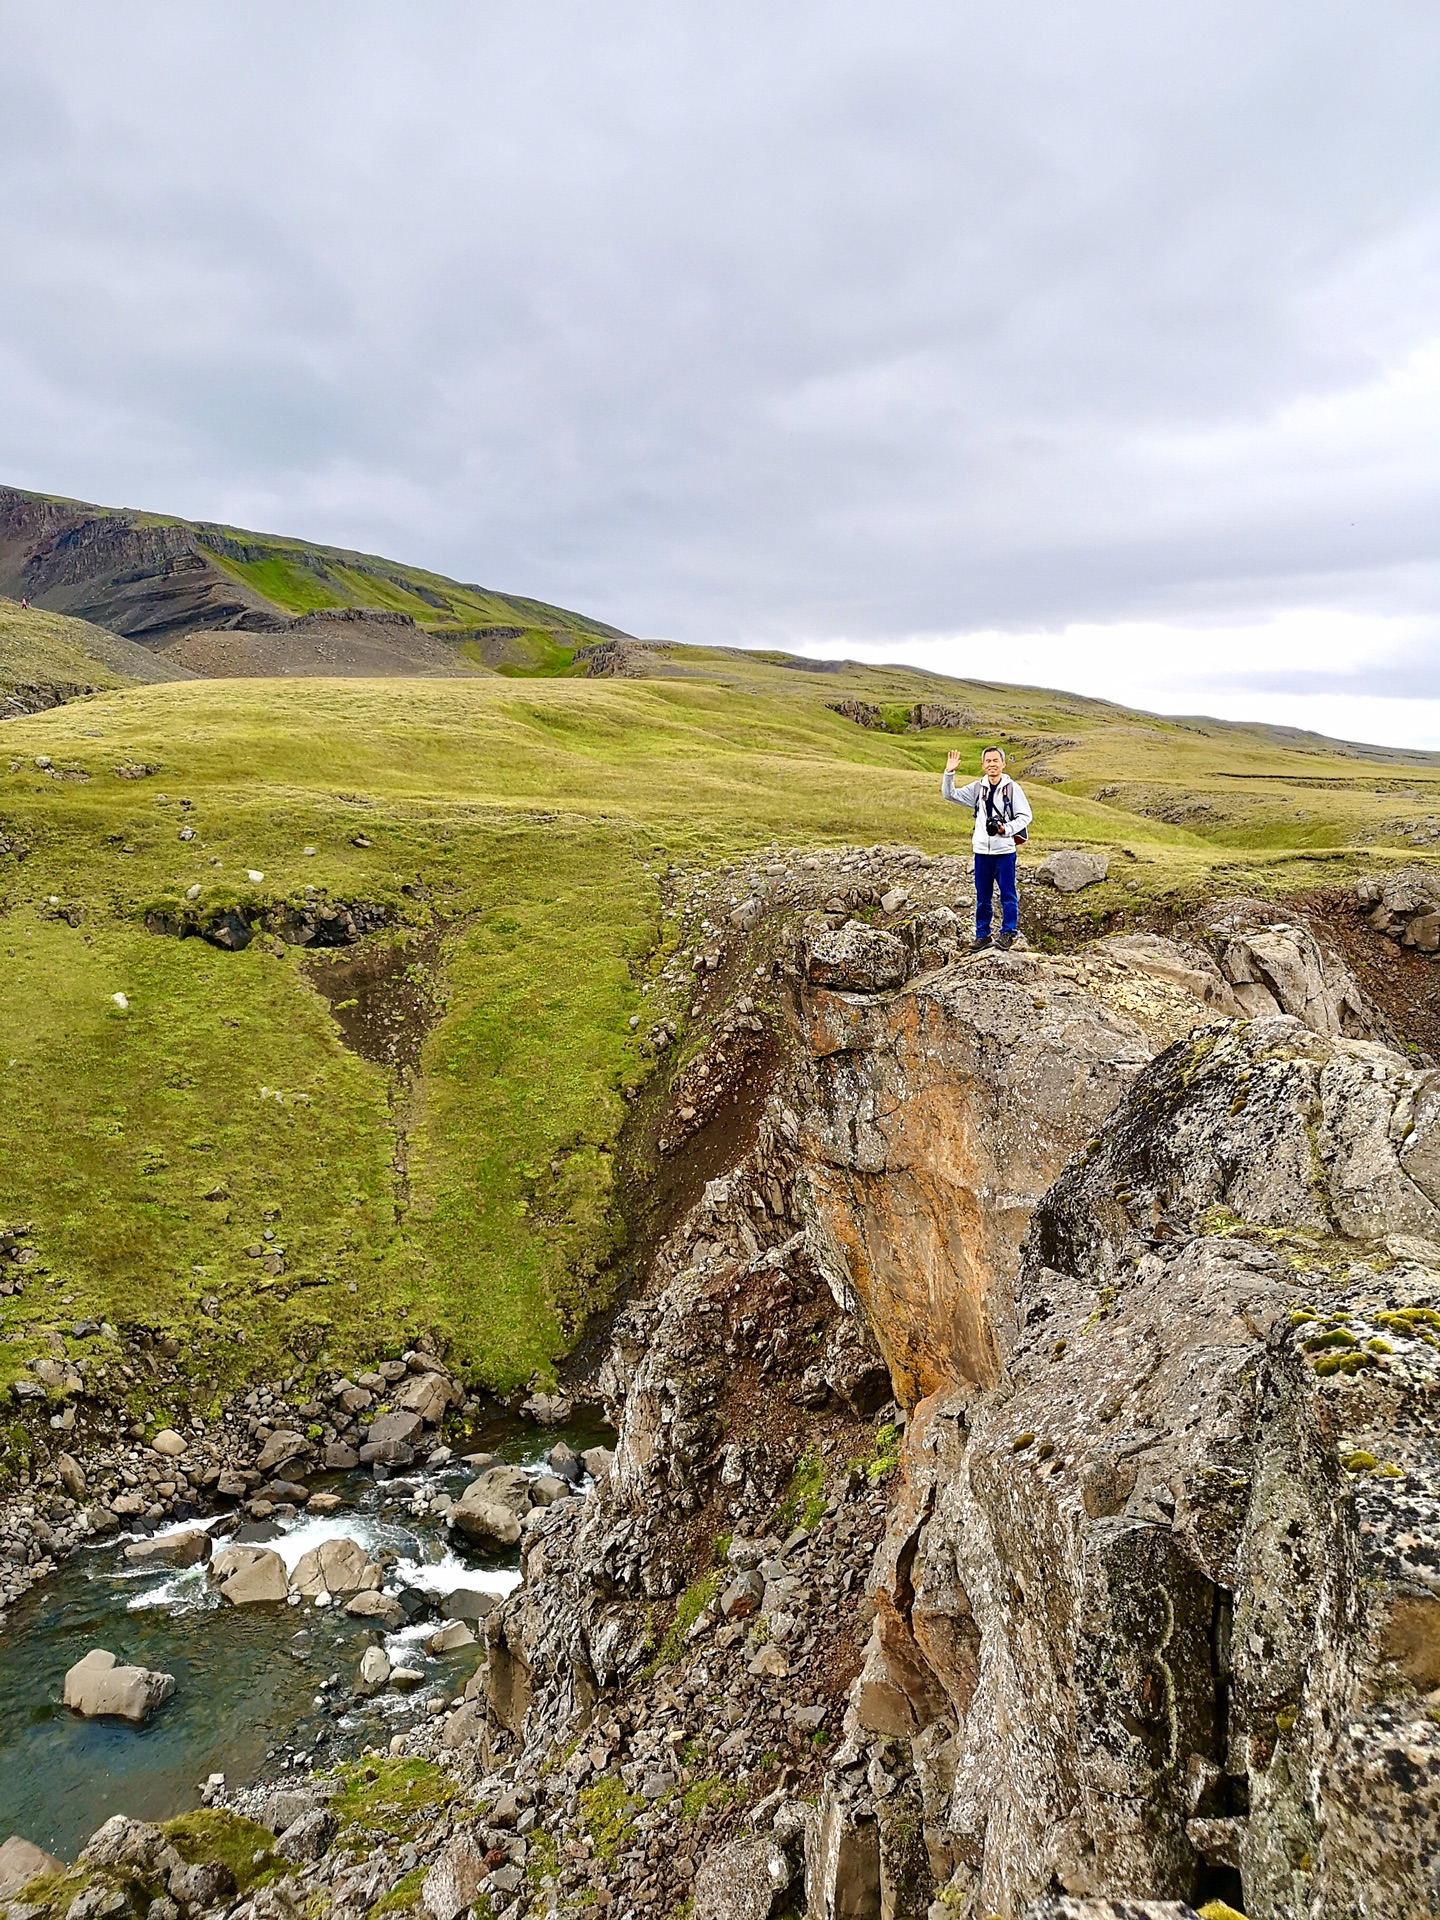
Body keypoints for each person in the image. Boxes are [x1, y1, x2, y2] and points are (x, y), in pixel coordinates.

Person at [942, 746, 1033, 950]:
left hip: (1004, 851)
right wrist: (949, 773)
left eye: (995, 761)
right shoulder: (977, 789)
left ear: (1003, 764)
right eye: (988, 761)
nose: (992, 764)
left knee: (1008, 894)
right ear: (983, 765)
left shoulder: (1012, 788)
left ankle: (1008, 933)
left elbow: (1026, 816)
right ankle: (982, 935)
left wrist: (1006, 829)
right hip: (982, 851)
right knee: (983, 896)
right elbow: (949, 795)